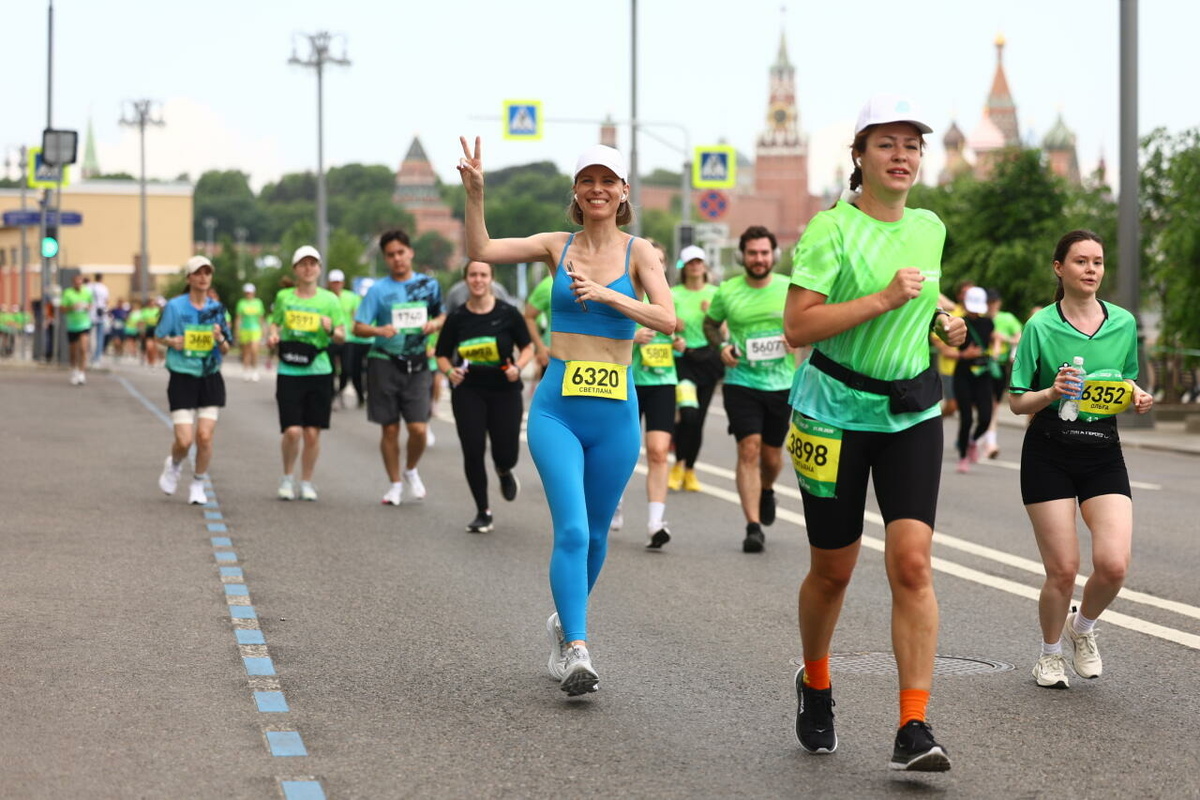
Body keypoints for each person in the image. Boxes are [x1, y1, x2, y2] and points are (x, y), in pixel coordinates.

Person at [782, 94, 966, 771]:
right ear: (858, 156)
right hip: (830, 412)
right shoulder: (831, 229)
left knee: (912, 563)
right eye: (887, 144)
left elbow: (925, 293)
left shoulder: (930, 226)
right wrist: (884, 299)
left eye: (912, 145)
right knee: (833, 572)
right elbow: (798, 326)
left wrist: (946, 320)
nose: (902, 156)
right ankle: (816, 679)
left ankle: (913, 725)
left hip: (911, 410)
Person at [457, 137, 674, 696]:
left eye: (608, 181)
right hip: (557, 410)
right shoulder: (557, 245)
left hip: (616, 413)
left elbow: (668, 320)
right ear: (576, 191)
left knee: (597, 537)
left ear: (624, 192)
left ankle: (564, 620)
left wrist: (608, 296)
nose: (598, 189)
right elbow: (480, 247)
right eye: (588, 180)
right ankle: (576, 646)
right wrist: (475, 194)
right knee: (572, 529)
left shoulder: (640, 252)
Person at [1007, 229, 1152, 690]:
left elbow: (1122, 381)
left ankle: (1082, 628)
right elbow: (1016, 401)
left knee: (1113, 565)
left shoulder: (1123, 323)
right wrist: (1051, 392)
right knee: (1064, 568)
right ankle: (1049, 655)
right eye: (1081, 262)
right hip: (1049, 449)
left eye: (1098, 262)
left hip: (1102, 449)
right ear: (1059, 269)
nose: (1091, 270)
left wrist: (1138, 395)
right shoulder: (1040, 326)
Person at [703, 226, 793, 553]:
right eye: (753, 253)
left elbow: (807, 325)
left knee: (771, 457)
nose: (759, 259)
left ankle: (766, 488)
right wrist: (722, 347)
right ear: (743, 255)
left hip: (782, 383)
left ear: (774, 255)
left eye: (764, 253)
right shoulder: (727, 291)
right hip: (741, 382)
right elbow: (710, 325)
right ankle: (753, 526)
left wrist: (795, 338)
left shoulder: (789, 289)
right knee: (749, 448)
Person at [435, 260, 534, 533]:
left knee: (506, 452)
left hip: (504, 389)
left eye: (483, 275)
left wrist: (519, 367)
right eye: (473, 275)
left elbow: (527, 347)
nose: (478, 280)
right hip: (469, 390)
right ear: (465, 279)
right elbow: (441, 354)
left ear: (491, 279)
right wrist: (449, 372)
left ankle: (504, 471)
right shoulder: (457, 317)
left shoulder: (508, 313)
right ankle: (483, 510)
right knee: (473, 448)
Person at [353, 230, 445, 505]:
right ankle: (394, 484)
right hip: (384, 362)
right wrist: (379, 330)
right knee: (390, 429)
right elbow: (358, 326)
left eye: (400, 253)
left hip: (417, 363)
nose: (397, 259)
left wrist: (434, 324)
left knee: (418, 429)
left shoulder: (428, 285)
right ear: (385, 258)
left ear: (410, 253)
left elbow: (441, 314)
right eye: (390, 255)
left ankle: (411, 468)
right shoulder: (378, 290)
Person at [267, 246, 346, 501]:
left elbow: (342, 336)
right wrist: (272, 336)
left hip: (319, 369)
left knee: (312, 432)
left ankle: (307, 481)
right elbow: (275, 323)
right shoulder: (284, 297)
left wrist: (331, 328)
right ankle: (287, 477)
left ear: (319, 269)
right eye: (303, 264)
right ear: (296, 269)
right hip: (290, 369)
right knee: (292, 431)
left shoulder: (330, 300)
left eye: (313, 264)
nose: (308, 268)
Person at [155, 256, 233, 505]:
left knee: (205, 436)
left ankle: (198, 483)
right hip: (182, 375)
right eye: (198, 273)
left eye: (207, 273)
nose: (203, 277)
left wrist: (220, 338)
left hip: (210, 376)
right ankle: (175, 463)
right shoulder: (175, 307)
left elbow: (227, 348)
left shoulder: (218, 310)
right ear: (189, 278)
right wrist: (172, 341)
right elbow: (159, 335)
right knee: (185, 440)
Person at [669, 245, 722, 493]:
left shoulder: (715, 293)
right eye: (690, 262)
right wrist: (673, 329)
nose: (695, 266)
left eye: (699, 261)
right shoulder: (674, 294)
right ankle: (678, 463)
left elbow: (724, 332)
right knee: (688, 414)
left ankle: (690, 469)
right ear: (683, 267)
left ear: (704, 265)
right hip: (684, 359)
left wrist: (711, 316)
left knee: (698, 421)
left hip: (709, 360)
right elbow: (664, 325)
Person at [952, 286, 1001, 473]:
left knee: (986, 417)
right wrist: (965, 354)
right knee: (966, 418)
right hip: (963, 374)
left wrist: (995, 349)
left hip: (983, 374)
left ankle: (973, 441)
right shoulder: (958, 322)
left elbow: (995, 338)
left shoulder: (988, 323)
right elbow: (946, 350)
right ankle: (963, 456)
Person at [980, 288, 1022, 458]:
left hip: (1000, 365)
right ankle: (988, 441)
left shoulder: (1007, 318)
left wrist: (1002, 338)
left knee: (994, 405)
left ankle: (984, 439)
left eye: (993, 302)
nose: (991, 306)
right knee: (988, 405)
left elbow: (1019, 337)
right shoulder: (979, 317)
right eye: (988, 302)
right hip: (981, 364)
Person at [328, 269, 370, 409]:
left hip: (348, 338)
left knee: (347, 369)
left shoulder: (351, 297)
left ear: (343, 283)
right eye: (334, 282)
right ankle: (332, 394)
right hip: (330, 338)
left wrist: (355, 327)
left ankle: (340, 391)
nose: (336, 285)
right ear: (330, 283)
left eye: (338, 282)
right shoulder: (326, 297)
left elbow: (355, 314)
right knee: (330, 369)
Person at [62, 273, 93, 385]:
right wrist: (72, 307)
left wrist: (86, 306)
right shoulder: (68, 293)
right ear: (73, 282)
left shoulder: (87, 292)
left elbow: (91, 304)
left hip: (84, 324)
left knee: (83, 349)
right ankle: (74, 370)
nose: (78, 283)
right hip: (72, 325)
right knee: (73, 351)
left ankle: (82, 373)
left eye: (80, 281)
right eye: (76, 281)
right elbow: (63, 308)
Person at [235, 283, 265, 382]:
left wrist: (263, 329)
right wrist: (237, 331)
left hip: (255, 329)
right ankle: (246, 370)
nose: (249, 294)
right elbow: (238, 318)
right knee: (246, 352)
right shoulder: (241, 303)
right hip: (245, 329)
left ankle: (255, 370)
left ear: (253, 293)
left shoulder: (258, 302)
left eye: (250, 292)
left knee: (254, 351)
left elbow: (261, 317)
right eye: (247, 293)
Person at [89, 274, 110, 365]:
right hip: (101, 314)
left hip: (90, 314)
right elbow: (106, 301)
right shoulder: (104, 288)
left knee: (89, 336)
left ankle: (89, 356)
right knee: (100, 337)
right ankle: (97, 358)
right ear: (101, 278)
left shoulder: (90, 287)